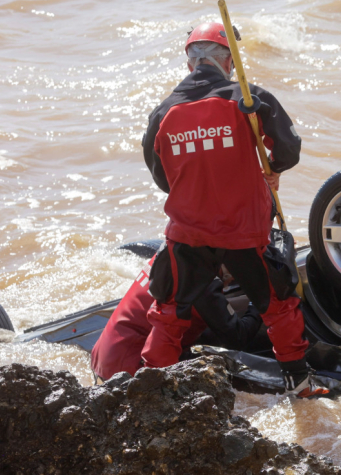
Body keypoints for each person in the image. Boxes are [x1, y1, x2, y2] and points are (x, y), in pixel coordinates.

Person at [140, 22, 326, 397]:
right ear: (228, 62)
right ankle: (300, 387)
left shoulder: (163, 113)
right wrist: (271, 170)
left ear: (191, 65)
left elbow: (163, 179)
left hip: (187, 233)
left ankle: (150, 390)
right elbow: (288, 150)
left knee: (169, 312)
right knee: (278, 303)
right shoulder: (250, 100)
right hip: (244, 231)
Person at [91, 255, 263, 381]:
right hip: (129, 368)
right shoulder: (202, 280)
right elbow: (238, 336)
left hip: (104, 355)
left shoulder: (172, 251)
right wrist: (261, 301)